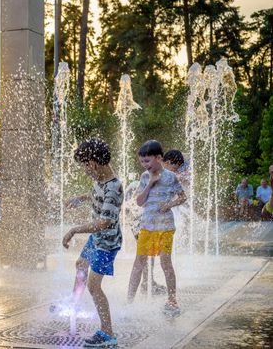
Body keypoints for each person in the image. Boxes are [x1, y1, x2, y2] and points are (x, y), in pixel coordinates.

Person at [62, 138, 123, 347]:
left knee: (94, 286)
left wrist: (74, 230)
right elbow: (95, 196)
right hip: (96, 239)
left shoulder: (114, 187)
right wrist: (79, 198)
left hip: (107, 243)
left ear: (93, 162)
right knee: (80, 265)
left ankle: (108, 333)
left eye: (85, 165)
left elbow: (104, 222)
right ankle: (74, 303)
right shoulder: (101, 180)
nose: (85, 170)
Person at [127, 140, 186, 317]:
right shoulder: (145, 177)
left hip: (166, 227)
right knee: (139, 263)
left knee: (165, 262)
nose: (145, 165)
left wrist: (169, 204)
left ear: (159, 158)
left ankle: (172, 300)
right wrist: (150, 182)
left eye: (148, 161)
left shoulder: (171, 177)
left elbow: (183, 197)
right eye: (142, 162)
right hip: (147, 226)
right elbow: (139, 201)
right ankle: (129, 301)